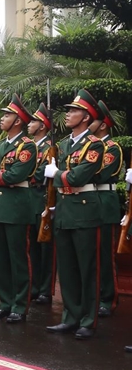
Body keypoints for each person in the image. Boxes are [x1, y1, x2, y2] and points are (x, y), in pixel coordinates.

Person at [44, 89, 104, 339]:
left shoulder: (95, 145)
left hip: (85, 209)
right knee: (67, 268)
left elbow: (79, 176)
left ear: (87, 117)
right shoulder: (64, 145)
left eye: (74, 111)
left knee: (87, 268)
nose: (68, 114)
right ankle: (70, 316)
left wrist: (56, 175)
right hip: (66, 208)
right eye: (68, 110)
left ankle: (88, 320)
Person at [0, 94, 38, 323]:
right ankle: (4, 302)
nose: (2, 119)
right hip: (0, 206)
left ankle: (19, 305)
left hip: (16, 207)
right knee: (1, 259)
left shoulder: (28, 146)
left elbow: (16, 174)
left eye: (7, 116)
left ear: (17, 121)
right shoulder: (2, 145)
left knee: (18, 259)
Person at [92, 100, 122, 318]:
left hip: (103, 200)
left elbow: (98, 174)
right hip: (88, 201)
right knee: (90, 254)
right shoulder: (86, 146)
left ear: (102, 125)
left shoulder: (111, 148)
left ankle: (108, 298)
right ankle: (93, 296)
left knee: (105, 254)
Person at [28, 103, 55, 304]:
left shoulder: (49, 148)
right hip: (28, 201)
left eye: (34, 121)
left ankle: (45, 289)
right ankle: (35, 286)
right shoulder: (28, 146)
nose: (30, 124)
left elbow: (39, 174)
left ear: (43, 126)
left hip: (42, 200)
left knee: (46, 250)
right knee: (32, 249)